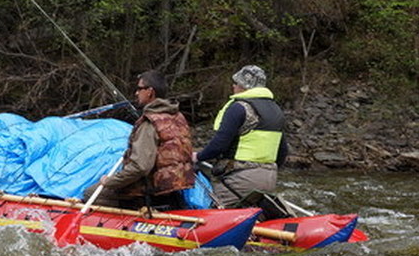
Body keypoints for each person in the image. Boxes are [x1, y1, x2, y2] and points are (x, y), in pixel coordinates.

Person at [81, 70, 195, 210]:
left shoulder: (149, 123)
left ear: (150, 92)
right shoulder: (178, 116)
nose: (136, 93)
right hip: (175, 186)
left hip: (150, 191)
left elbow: (140, 167)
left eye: (139, 89)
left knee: (90, 193)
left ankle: (125, 218)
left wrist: (110, 181)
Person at [194, 65, 288, 208]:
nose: (233, 86)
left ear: (245, 86)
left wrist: (197, 157)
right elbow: (282, 151)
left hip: (240, 179)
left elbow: (219, 145)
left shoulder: (239, 108)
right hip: (269, 178)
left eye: (236, 83)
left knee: (208, 207)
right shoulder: (276, 111)